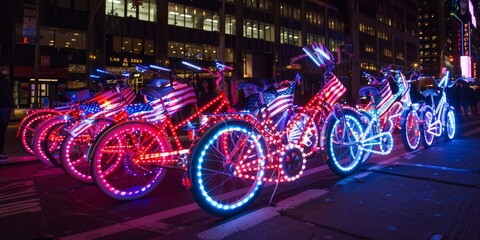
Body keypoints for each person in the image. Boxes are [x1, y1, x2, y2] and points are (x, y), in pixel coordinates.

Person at [0, 68, 14, 160]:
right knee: (1, 131)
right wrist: (11, 106)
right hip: (4, 108)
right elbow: (8, 94)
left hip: (3, 107)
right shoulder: (4, 80)